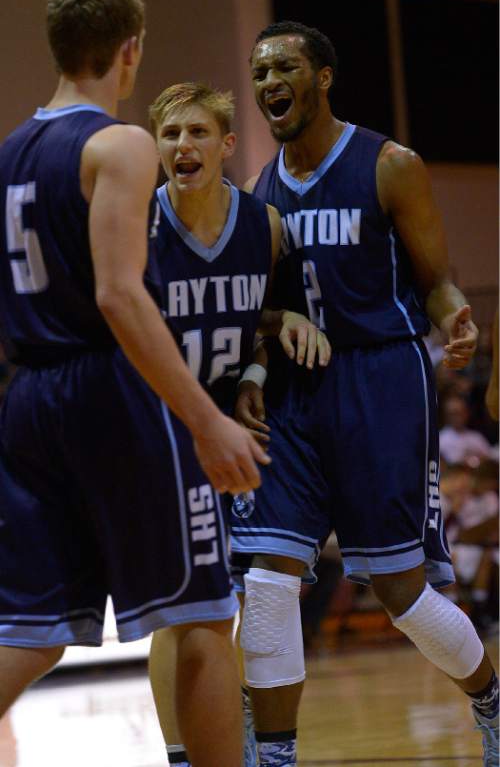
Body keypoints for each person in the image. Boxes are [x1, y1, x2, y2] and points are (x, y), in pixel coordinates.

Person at [0, 0, 273, 767]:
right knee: (202, 615)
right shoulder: (119, 143)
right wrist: (205, 416)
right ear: (130, 51)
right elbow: (120, 294)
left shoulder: (10, 152)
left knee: (32, 633)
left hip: (28, 398)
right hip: (107, 394)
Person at [231, 21, 499, 766]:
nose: (267, 83)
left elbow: (436, 278)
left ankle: (491, 698)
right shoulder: (264, 185)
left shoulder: (390, 164)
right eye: (258, 72)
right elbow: (264, 303)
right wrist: (256, 371)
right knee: (268, 577)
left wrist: (456, 321)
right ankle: (275, 754)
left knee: (399, 592)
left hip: (381, 378)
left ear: (323, 77)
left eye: (284, 67)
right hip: (294, 387)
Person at [145, 82, 331, 767]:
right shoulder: (138, 223)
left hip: (229, 427)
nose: (182, 146)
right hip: (158, 429)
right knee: (184, 610)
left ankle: (234, 741)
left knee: (225, 603)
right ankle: (182, 754)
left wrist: (259, 367)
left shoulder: (265, 226)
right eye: (170, 135)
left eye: (196, 133)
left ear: (226, 145)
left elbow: (267, 314)